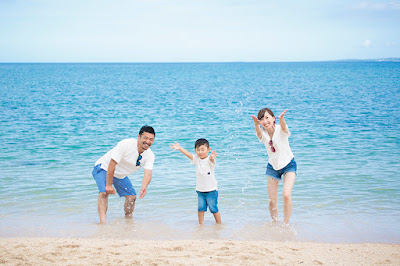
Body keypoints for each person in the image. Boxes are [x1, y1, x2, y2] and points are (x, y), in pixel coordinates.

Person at [92, 126, 155, 224]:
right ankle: (103, 224)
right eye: (145, 138)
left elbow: (148, 172)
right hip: (103, 167)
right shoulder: (126, 144)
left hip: (119, 175)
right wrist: (108, 185)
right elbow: (112, 164)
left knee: (132, 197)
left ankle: (128, 221)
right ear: (139, 137)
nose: (148, 141)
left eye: (151, 139)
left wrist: (144, 186)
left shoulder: (150, 155)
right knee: (104, 192)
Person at [251, 108, 297, 225]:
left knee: (286, 194)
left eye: (267, 118)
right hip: (272, 167)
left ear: (273, 118)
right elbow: (258, 133)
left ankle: (286, 224)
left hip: (288, 165)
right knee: (272, 202)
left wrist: (282, 120)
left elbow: (284, 128)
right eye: (261, 119)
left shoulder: (280, 129)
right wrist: (256, 125)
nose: (265, 121)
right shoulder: (263, 134)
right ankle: (275, 223)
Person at [170, 139, 221, 224]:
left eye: (202, 149)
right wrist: (180, 148)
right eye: (198, 150)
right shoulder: (196, 159)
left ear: (208, 149)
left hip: (211, 190)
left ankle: (219, 224)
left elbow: (212, 160)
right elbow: (188, 154)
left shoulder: (209, 159)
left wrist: (212, 157)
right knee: (200, 209)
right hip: (200, 191)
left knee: (213, 209)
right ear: (195, 151)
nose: (200, 152)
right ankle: (201, 225)